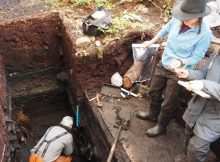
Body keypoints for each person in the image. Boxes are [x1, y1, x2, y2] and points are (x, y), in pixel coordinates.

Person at [136, 0, 212, 137]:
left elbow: (197, 57)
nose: (184, 21)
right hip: (164, 63)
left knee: (169, 102)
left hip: (179, 72)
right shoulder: (178, 18)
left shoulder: (205, 34)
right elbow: (165, 29)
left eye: (188, 19)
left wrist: (180, 61)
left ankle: (161, 125)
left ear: (199, 17)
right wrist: (151, 41)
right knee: (154, 91)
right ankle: (152, 114)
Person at [174, 48, 220, 162]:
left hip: (214, 116)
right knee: (188, 133)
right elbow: (204, 73)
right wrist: (189, 74)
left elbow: (204, 83)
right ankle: (186, 157)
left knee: (197, 147)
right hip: (197, 105)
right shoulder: (216, 54)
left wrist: (204, 85)